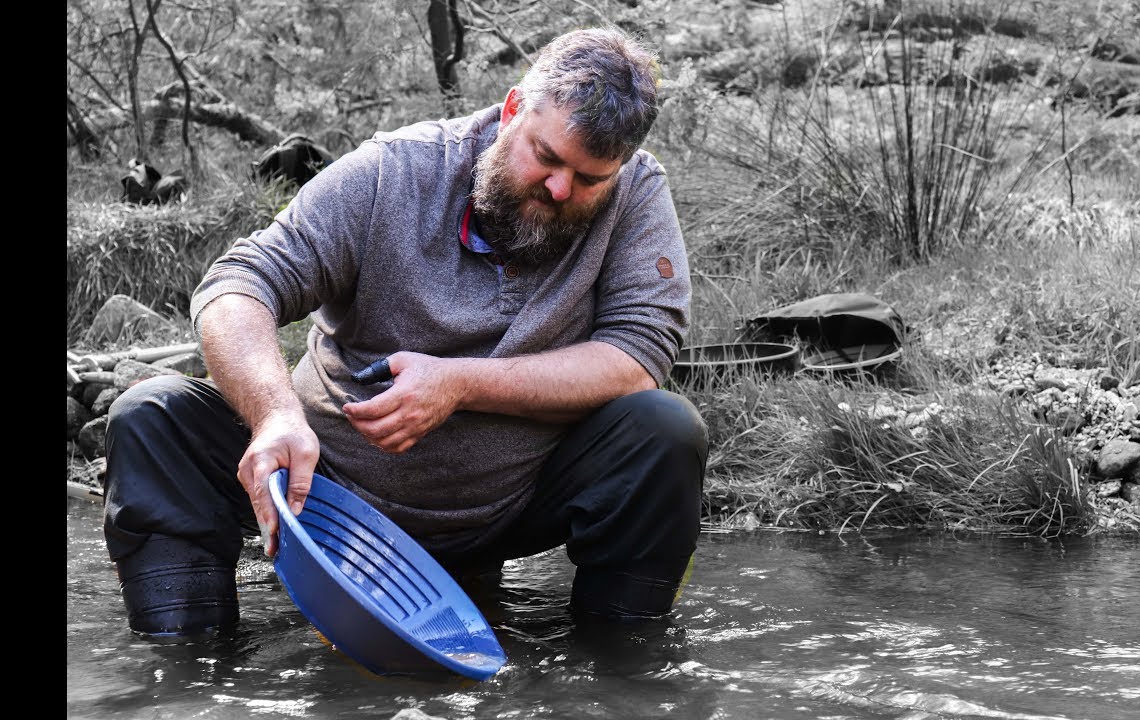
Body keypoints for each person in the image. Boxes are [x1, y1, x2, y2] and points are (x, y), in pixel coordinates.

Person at [101, 26, 708, 637]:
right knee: (151, 415)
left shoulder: (636, 192)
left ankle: (622, 668)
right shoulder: (395, 172)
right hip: (324, 494)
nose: (559, 189)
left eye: (589, 180)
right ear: (513, 109)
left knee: (664, 429)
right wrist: (274, 415)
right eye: (546, 158)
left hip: (511, 507)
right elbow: (237, 284)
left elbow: (638, 355)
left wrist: (460, 383)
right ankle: (184, 668)